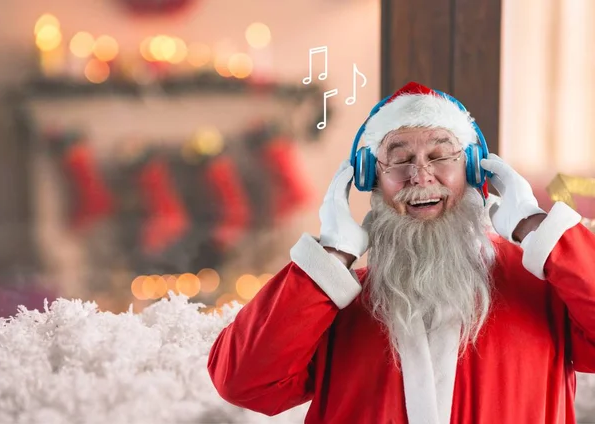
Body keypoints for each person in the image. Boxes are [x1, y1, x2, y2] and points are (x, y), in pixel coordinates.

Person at [207, 82, 595, 423]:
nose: (420, 175)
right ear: (370, 178)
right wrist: (332, 255)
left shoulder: (544, 288)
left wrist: (537, 228)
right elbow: (242, 382)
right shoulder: (327, 304)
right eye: (399, 158)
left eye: (441, 156)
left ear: (477, 170)